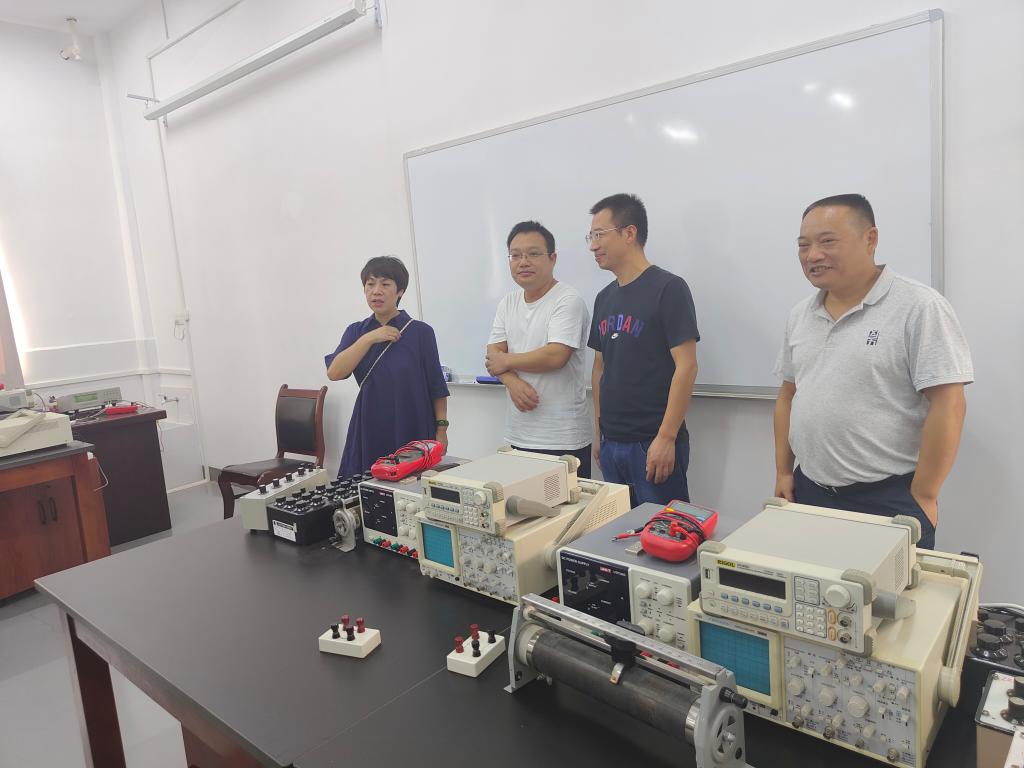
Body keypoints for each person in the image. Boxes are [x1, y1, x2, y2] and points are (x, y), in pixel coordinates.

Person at [773, 194, 973, 549]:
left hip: (887, 498)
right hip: (810, 490)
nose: (812, 255)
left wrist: (924, 494)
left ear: (870, 239)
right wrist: (784, 471)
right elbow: (789, 395)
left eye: (827, 241)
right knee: (812, 584)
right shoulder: (800, 314)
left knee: (886, 588)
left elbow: (949, 403)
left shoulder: (919, 306)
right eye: (803, 245)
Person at [587, 193, 700, 505]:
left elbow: (687, 366)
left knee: (661, 529)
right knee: (620, 530)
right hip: (611, 443)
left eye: (599, 235)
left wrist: (666, 437)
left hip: (651, 443)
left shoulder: (668, 288)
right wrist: (599, 433)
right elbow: (599, 367)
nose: (593, 246)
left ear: (629, 233)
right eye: (590, 237)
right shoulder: (604, 298)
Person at [325, 256, 450, 477]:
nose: (376, 291)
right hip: (370, 424)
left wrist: (442, 430)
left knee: (412, 487)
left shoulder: (421, 332)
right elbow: (335, 372)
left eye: (385, 284)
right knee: (368, 486)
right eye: (370, 284)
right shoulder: (356, 331)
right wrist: (370, 338)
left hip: (413, 422)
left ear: (400, 291)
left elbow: (436, 387)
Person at [485, 221, 592, 476]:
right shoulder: (508, 302)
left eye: (533, 254)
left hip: (562, 439)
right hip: (519, 434)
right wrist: (512, 382)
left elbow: (556, 355)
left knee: (566, 504)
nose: (523, 262)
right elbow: (493, 354)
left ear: (552, 258)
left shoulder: (567, 299)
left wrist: (506, 362)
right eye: (515, 255)